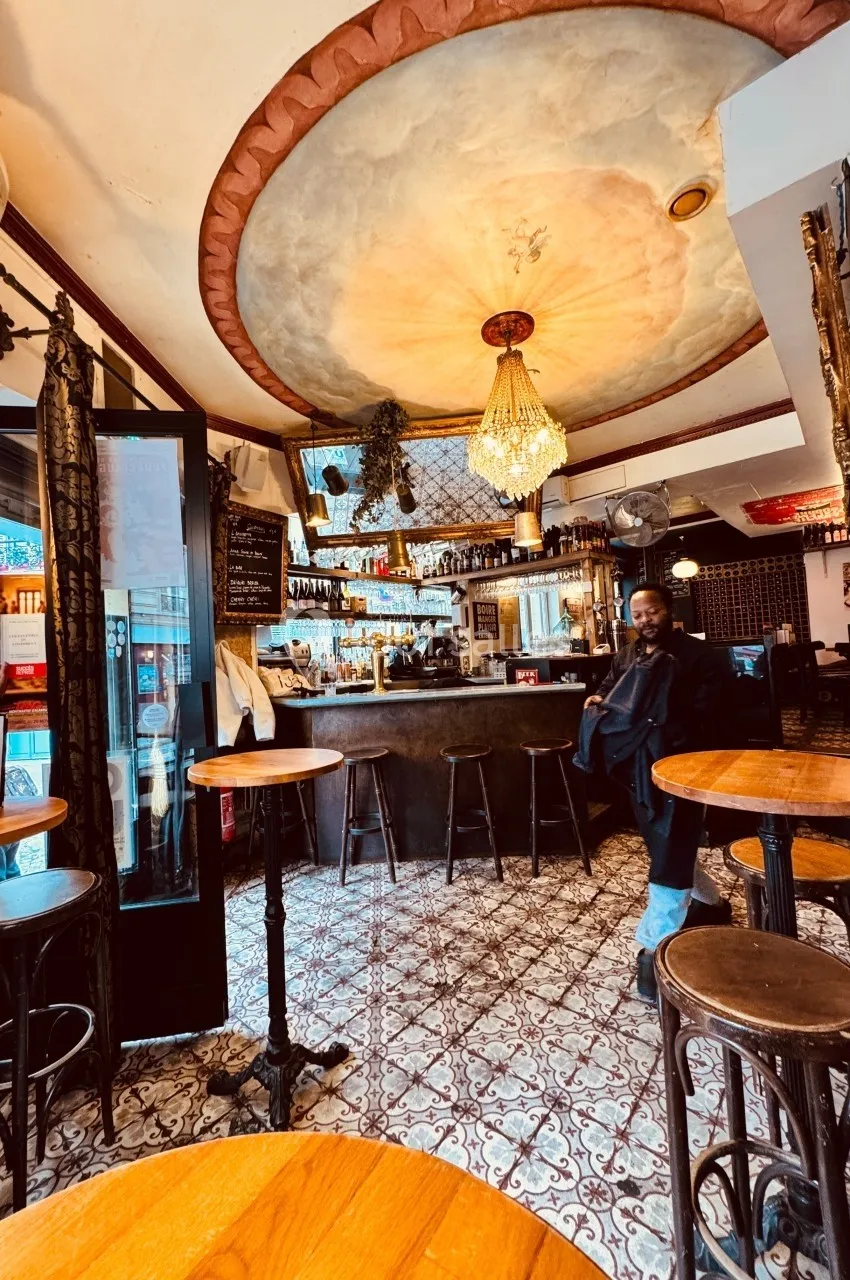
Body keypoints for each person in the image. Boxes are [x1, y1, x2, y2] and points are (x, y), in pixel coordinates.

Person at [574, 582, 730, 1002]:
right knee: (662, 840)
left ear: (669, 610)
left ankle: (654, 945)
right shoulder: (626, 655)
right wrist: (599, 698)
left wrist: (657, 710)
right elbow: (610, 685)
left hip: (684, 766)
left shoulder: (700, 656)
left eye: (652, 612)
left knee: (671, 840)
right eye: (638, 615)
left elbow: (713, 713)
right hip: (638, 768)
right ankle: (712, 904)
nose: (645, 621)